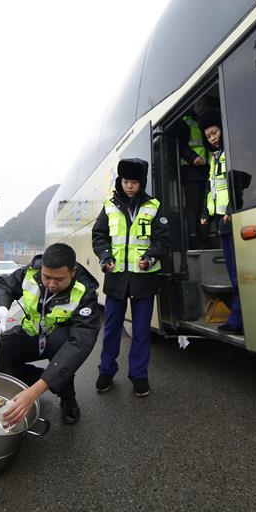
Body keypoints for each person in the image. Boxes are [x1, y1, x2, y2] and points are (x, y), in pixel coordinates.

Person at [0, 243, 101, 426]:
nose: (51, 284)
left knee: (63, 350)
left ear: (72, 272)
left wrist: (34, 393)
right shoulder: (29, 272)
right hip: (29, 335)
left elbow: (80, 343)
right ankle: (42, 377)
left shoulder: (85, 293)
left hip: (57, 342)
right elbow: (4, 285)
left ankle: (67, 396)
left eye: (59, 279)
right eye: (47, 277)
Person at [92, 158, 171, 397]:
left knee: (141, 331)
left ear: (141, 183)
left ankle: (139, 375)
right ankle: (106, 370)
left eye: (134, 182)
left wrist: (150, 256)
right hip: (116, 279)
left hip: (144, 279)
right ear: (120, 181)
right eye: (126, 181)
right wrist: (105, 257)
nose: (129, 186)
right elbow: (99, 236)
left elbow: (163, 240)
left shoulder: (154, 206)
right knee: (112, 329)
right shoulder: (109, 206)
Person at [198, 109, 243, 335]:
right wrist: (206, 213)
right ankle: (238, 319)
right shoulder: (215, 158)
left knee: (237, 273)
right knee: (232, 271)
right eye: (208, 136)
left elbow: (240, 181)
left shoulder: (232, 153)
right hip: (222, 221)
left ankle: (238, 321)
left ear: (223, 129)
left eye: (214, 132)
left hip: (233, 218)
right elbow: (212, 189)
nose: (212, 138)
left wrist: (232, 206)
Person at [169, 113, 210, 249]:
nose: (202, 107)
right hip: (191, 169)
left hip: (206, 168)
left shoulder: (201, 121)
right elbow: (179, 144)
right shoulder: (184, 122)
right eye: (199, 104)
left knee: (205, 204)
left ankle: (204, 236)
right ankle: (193, 237)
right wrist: (192, 157)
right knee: (193, 204)